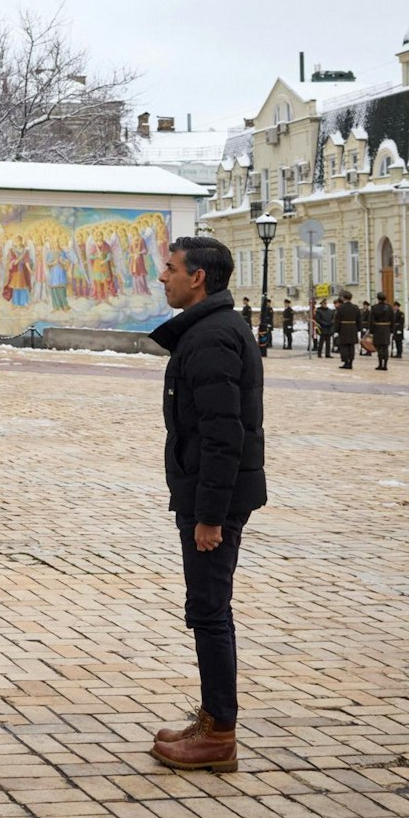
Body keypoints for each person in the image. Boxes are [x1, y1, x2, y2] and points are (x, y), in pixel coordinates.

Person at [146, 236, 265, 773]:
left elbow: (223, 435)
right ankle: (213, 717)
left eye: (170, 269)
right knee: (208, 608)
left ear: (197, 278)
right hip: (203, 492)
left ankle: (219, 734)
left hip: (210, 499)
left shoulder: (214, 336)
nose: (163, 277)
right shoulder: (208, 329)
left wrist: (211, 517)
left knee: (210, 611)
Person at [333, 291, 362, 369]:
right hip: (353, 328)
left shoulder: (340, 308)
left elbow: (337, 320)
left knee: (344, 346)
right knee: (351, 346)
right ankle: (351, 362)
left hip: (343, 328)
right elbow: (359, 319)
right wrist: (359, 329)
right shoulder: (355, 307)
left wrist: (336, 330)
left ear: (343, 298)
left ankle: (346, 362)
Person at [369, 292, 395, 372]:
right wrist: (391, 330)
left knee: (379, 347)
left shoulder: (374, 308)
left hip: (378, 329)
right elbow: (393, 320)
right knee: (385, 347)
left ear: (378, 298)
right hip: (386, 329)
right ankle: (385, 365)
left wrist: (371, 331)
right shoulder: (390, 308)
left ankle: (380, 364)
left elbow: (371, 321)